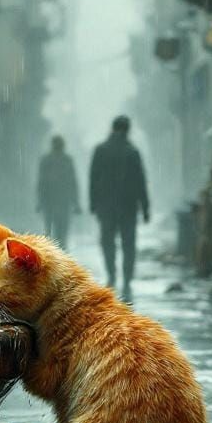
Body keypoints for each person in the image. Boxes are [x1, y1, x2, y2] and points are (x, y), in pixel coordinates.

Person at [89, 116, 150, 301]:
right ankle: (127, 278)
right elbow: (140, 182)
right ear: (127, 129)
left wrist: (93, 202)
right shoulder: (132, 152)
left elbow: (93, 179)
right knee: (128, 243)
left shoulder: (101, 150)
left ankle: (112, 273)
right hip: (128, 205)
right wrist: (145, 206)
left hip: (106, 206)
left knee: (108, 241)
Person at [36, 135, 80, 245]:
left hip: (50, 201)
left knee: (50, 230)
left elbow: (41, 182)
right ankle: (60, 252)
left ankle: (52, 253)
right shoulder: (67, 160)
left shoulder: (46, 160)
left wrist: (40, 201)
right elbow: (73, 183)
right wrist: (75, 202)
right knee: (61, 231)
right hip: (62, 202)